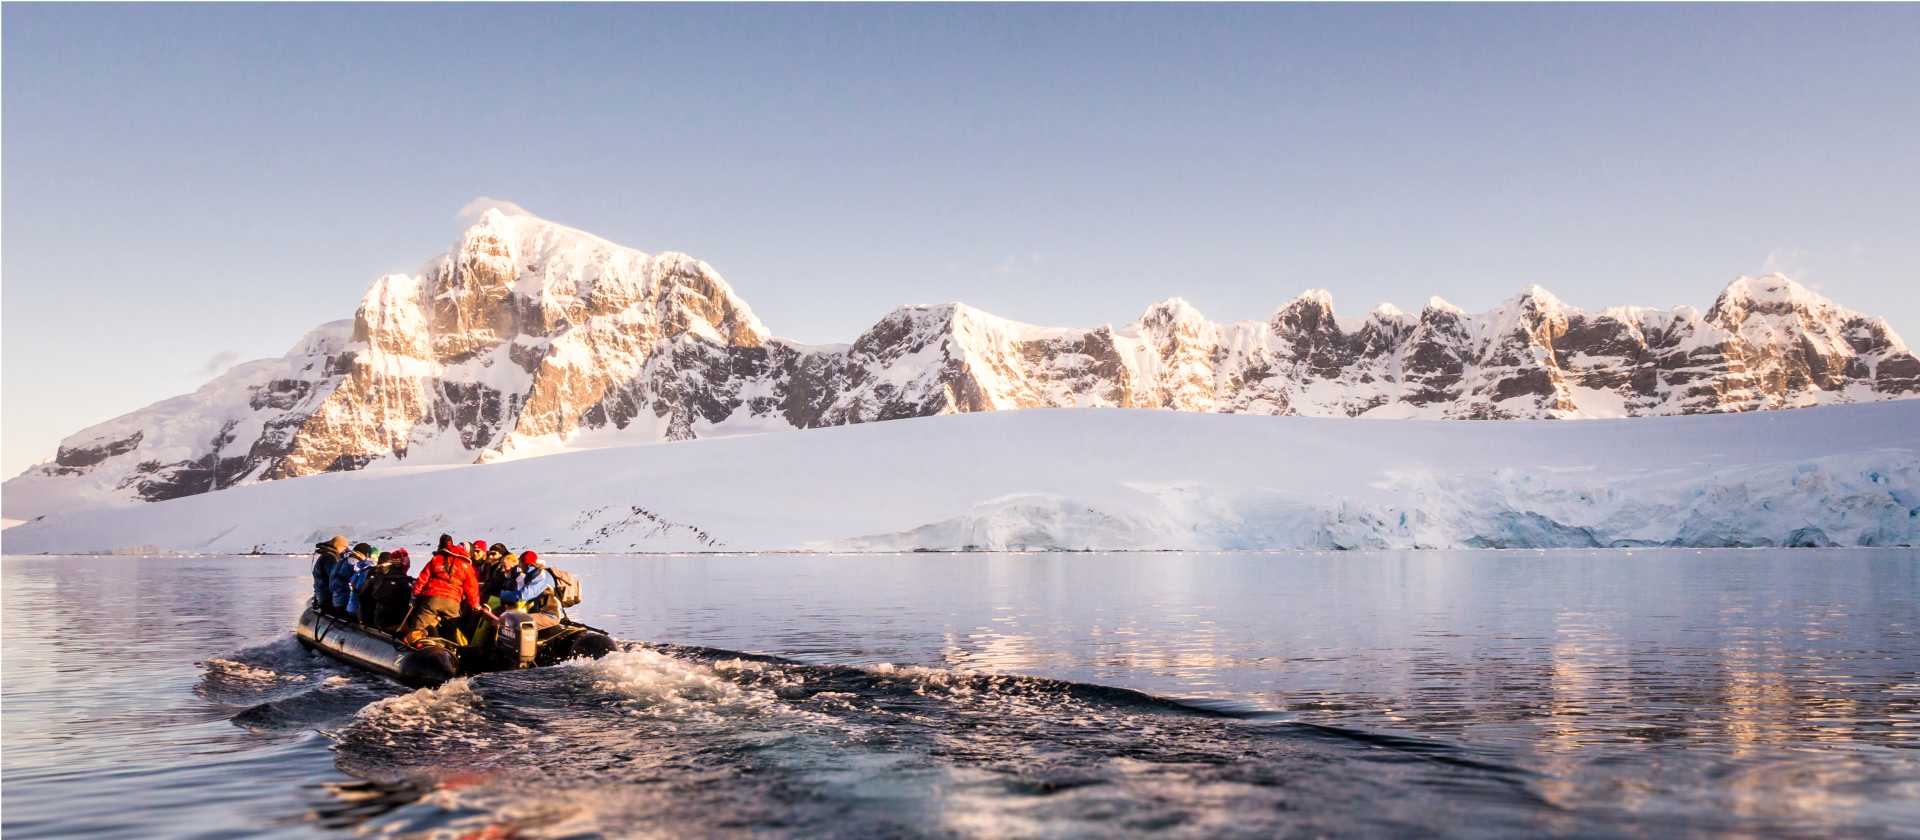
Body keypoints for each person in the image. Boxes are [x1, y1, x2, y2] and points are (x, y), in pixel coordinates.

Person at [400, 543, 489, 646]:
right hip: (452, 603)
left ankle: (414, 647)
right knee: (450, 630)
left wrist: (415, 594)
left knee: (420, 627)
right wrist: (475, 605)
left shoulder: (437, 558)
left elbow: (423, 578)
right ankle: (450, 650)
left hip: (432, 599)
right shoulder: (467, 567)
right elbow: (472, 588)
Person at [496, 550, 562, 627]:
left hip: (549, 615)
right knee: (507, 617)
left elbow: (523, 595)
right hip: (538, 612)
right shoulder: (531, 574)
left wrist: (501, 595)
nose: (519, 566)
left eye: (520, 563)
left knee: (516, 620)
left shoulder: (540, 576)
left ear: (526, 564)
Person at [355, 548, 414, 629]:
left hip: (368, 618)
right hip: (385, 623)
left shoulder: (373, 572)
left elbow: (362, 594)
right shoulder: (400, 580)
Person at [329, 543, 376, 615]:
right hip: (345, 601)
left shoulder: (343, 561)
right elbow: (359, 582)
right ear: (366, 554)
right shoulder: (355, 563)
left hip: (336, 599)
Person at [310, 535, 349, 614]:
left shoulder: (329, 555)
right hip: (326, 596)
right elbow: (333, 577)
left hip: (322, 593)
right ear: (338, 546)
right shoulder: (330, 558)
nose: (345, 550)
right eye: (345, 547)